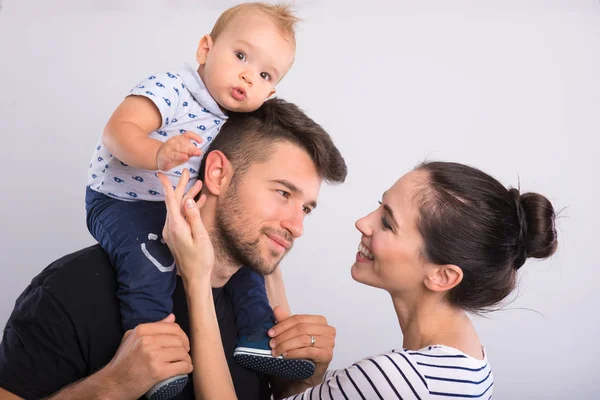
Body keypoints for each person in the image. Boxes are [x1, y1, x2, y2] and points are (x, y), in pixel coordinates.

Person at [0, 98, 347, 400]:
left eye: (305, 208)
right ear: (217, 174)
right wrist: (111, 386)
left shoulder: (259, 308)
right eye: (283, 194)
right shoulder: (73, 288)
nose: (296, 227)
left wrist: (306, 379)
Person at [161, 160, 558, 399]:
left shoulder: (403, 381)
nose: (362, 223)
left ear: (442, 275)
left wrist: (197, 280)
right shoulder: (466, 366)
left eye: (387, 222)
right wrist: (313, 375)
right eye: (378, 206)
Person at [85, 2, 304, 396]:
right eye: (240, 55)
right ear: (205, 49)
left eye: (264, 74)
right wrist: (157, 154)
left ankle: (258, 337)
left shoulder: (240, 117)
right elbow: (117, 131)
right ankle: (154, 352)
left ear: (271, 91)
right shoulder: (174, 88)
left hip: (179, 202)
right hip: (124, 199)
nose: (247, 75)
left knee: (243, 255)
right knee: (149, 260)